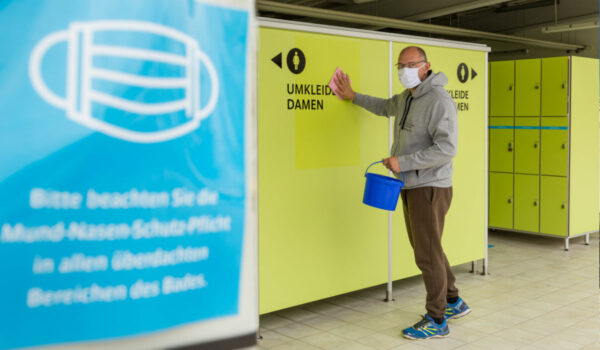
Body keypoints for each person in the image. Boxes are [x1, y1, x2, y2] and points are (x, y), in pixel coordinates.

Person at [333, 46, 470, 340]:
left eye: (411, 64)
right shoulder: (410, 97)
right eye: (401, 65)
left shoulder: (438, 100)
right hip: (412, 184)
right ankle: (453, 301)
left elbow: (447, 149)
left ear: (426, 66)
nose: (404, 70)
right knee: (430, 247)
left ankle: (437, 319)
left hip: (430, 187)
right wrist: (352, 96)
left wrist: (402, 162)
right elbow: (385, 107)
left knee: (426, 252)